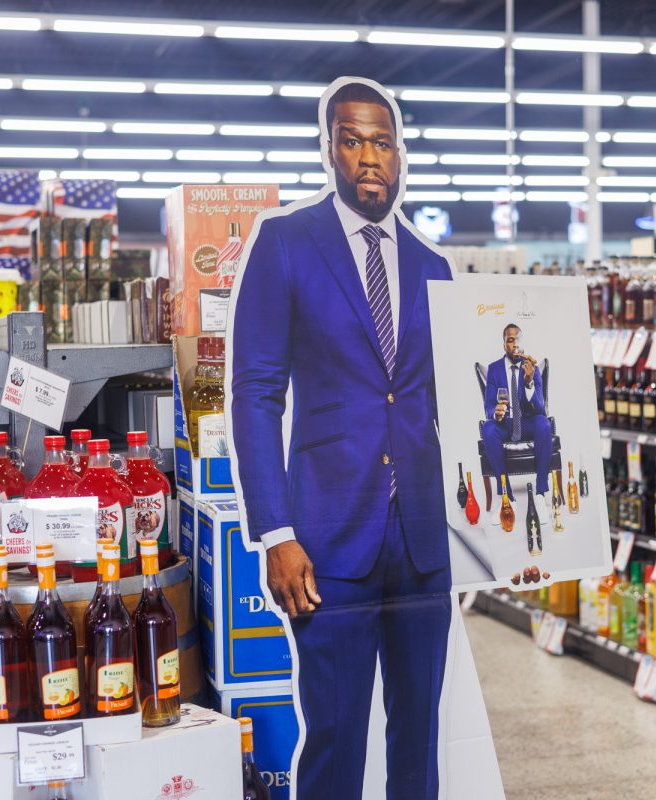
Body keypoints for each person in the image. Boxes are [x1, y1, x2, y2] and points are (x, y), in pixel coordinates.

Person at [229, 79, 452, 800]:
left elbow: (452, 410)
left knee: (418, 739)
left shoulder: (433, 267)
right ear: (329, 148)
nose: (369, 158)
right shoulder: (287, 246)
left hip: (423, 544)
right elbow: (256, 395)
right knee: (335, 737)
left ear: (400, 154)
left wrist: (505, 540)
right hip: (327, 545)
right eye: (352, 140)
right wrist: (275, 534)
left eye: (382, 143)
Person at [481, 323, 553, 522]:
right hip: (506, 423)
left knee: (544, 424)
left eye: (517, 340)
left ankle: (539, 494)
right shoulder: (494, 369)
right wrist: (495, 414)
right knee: (488, 429)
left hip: (527, 422)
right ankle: (507, 496)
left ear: (522, 344)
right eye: (509, 340)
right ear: (504, 344)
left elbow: (540, 409)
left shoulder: (532, 366)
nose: (514, 344)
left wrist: (529, 382)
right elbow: (488, 405)